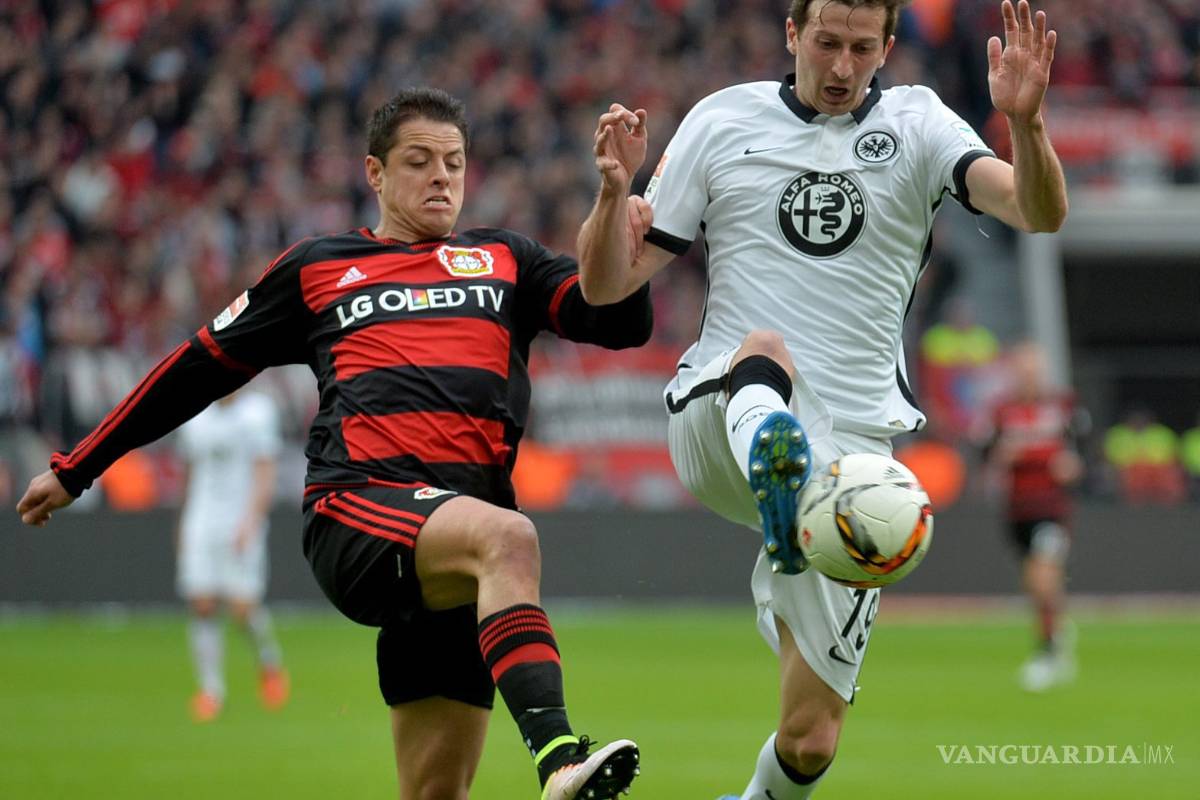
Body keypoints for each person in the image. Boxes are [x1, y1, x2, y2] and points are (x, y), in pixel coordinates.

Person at [18, 88, 649, 800]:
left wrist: (615, 195)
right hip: (356, 511)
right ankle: (560, 758)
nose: (442, 177)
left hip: (454, 549)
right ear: (375, 174)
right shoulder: (320, 267)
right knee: (511, 540)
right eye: (419, 162)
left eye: (454, 162)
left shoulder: (506, 260)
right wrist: (80, 466)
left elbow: (615, 321)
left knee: (435, 791)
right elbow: (193, 370)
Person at [577, 1, 1067, 797]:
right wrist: (611, 194)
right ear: (792, 34)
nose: (842, 67)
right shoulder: (721, 120)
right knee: (766, 352)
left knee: (810, 741)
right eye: (828, 44)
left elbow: (1039, 211)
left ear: (888, 46)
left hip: (854, 466)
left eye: (862, 48)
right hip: (719, 414)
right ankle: (778, 465)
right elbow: (603, 286)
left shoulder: (919, 124)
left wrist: (1029, 123)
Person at [175, 388, 290, 721]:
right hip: (201, 519)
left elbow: (265, 470)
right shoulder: (195, 416)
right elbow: (189, 474)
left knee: (242, 609)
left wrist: (253, 519)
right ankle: (211, 691)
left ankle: (269, 663)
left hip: (240, 519)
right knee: (202, 603)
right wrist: (183, 523)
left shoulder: (258, 412)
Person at [981, 342, 1088, 692]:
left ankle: (1048, 653)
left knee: (1043, 577)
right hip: (1017, 509)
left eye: (1034, 369)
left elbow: (1083, 453)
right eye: (1022, 369)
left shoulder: (1063, 407)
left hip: (1051, 509)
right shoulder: (1001, 411)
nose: (1029, 376)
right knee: (1035, 583)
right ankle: (1056, 629)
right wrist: (1001, 456)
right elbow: (985, 454)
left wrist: (1073, 468)